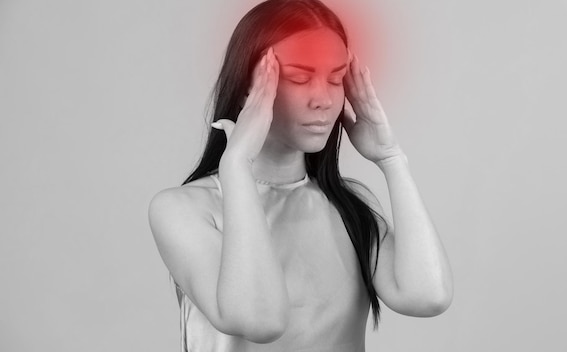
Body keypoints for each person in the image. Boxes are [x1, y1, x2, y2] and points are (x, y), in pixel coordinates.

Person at [148, 0, 453, 350]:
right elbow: (259, 321)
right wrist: (236, 166)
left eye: (336, 79)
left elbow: (428, 297)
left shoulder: (349, 206)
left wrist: (391, 159)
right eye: (299, 78)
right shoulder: (182, 209)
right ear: (249, 85)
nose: (323, 99)